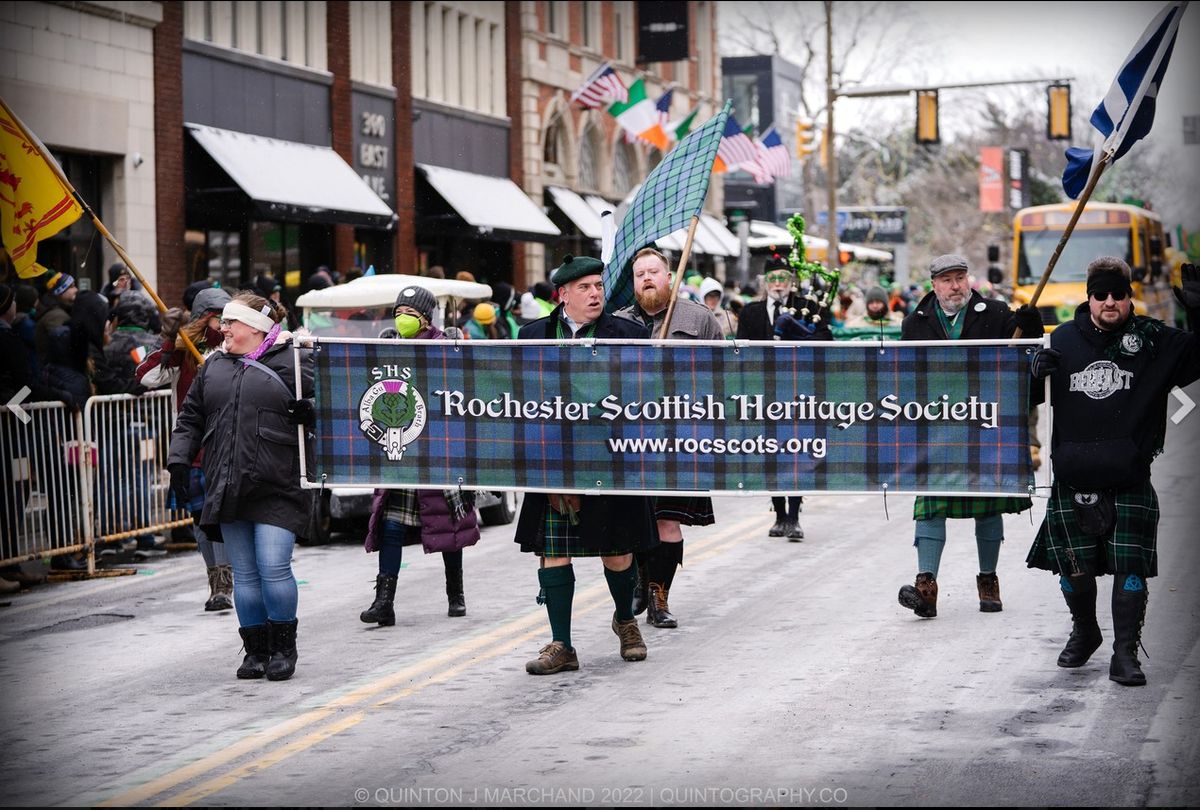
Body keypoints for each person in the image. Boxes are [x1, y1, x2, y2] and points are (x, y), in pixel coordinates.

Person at [1026, 259, 1200, 686]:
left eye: (1118, 294)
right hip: (1073, 473)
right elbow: (1023, 396)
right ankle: (1086, 631)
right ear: (1089, 297)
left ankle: (1125, 653)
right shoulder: (1062, 339)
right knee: (1074, 570)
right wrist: (1032, 370)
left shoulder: (1153, 339)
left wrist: (1197, 311)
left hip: (1129, 474)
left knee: (1131, 569)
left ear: (1129, 297)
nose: (1109, 302)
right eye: (1101, 294)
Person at [515, 254, 658, 674]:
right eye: (584, 288)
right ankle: (562, 644)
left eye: (598, 285)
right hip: (553, 459)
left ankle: (626, 621)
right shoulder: (530, 335)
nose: (595, 293)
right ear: (562, 295)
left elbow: (647, 392)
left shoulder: (628, 333)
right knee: (554, 554)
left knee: (616, 551)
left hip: (610, 455)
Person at [167, 291, 314, 681]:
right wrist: (179, 459)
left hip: (277, 483)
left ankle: (284, 648)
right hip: (228, 483)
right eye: (224, 322)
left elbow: (336, 409)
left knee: (272, 566)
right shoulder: (213, 366)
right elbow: (191, 418)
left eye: (231, 322)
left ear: (257, 327)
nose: (224, 328)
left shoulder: (296, 361)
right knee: (245, 575)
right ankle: (256, 651)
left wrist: (313, 410)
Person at [896, 253, 1044, 619]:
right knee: (931, 506)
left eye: (960, 277)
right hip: (935, 426)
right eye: (947, 279)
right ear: (934, 285)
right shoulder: (914, 323)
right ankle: (925, 587)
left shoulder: (994, 313)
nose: (955, 285)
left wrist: (1031, 325)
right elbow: (900, 376)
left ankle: (988, 581)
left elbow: (1026, 353)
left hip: (983, 424)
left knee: (987, 502)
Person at [360, 285, 480, 626]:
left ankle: (455, 595)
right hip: (400, 449)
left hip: (438, 450)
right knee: (391, 525)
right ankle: (384, 602)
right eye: (398, 312)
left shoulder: (445, 345)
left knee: (448, 526)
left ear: (425, 317)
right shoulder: (388, 346)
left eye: (409, 314)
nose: (402, 319)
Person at [615, 248, 722, 628]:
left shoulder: (699, 318)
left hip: (681, 437)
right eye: (640, 273)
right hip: (632, 439)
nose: (646, 278)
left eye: (653, 272)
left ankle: (660, 596)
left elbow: (723, 374)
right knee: (636, 523)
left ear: (669, 276)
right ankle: (642, 580)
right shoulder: (618, 324)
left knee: (667, 522)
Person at [137, 285, 234, 610]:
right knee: (200, 515)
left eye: (224, 317)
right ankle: (216, 584)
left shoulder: (238, 346)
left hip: (231, 441)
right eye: (214, 317)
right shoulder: (182, 349)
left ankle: (231, 581)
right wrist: (171, 343)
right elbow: (145, 377)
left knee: (226, 514)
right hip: (195, 445)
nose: (221, 325)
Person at [735, 254, 829, 540]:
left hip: (798, 390)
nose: (778, 284)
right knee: (772, 453)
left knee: (797, 452)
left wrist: (800, 334)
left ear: (792, 281)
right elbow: (742, 351)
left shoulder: (808, 308)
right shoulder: (751, 312)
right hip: (764, 392)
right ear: (765, 283)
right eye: (773, 278)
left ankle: (793, 516)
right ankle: (778, 514)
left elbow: (827, 341)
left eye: (783, 278)